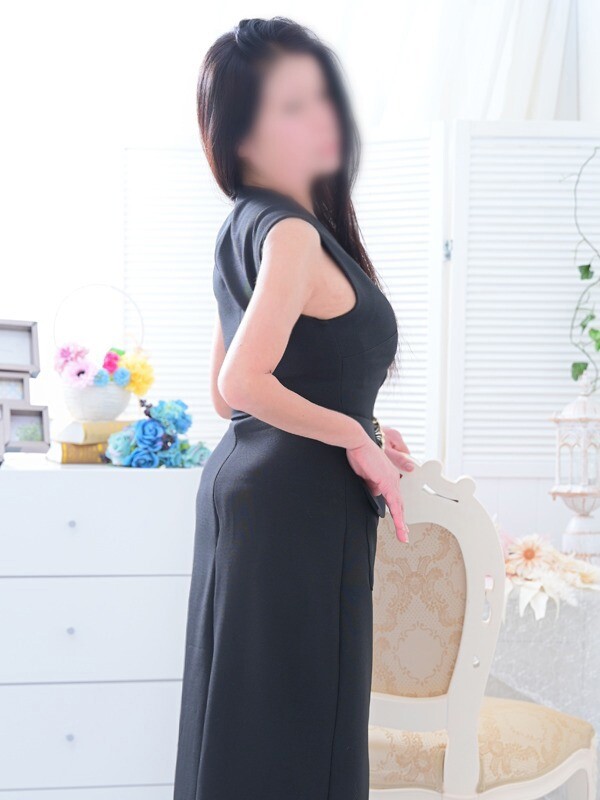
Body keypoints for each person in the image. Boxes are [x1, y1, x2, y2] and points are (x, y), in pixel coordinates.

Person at [174, 16, 413, 800]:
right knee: (300, 734)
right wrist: (351, 434)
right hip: (295, 508)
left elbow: (227, 396)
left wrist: (363, 427)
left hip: (252, 495)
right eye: (292, 105)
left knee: (245, 725)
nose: (321, 117)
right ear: (243, 135)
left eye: (322, 97)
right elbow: (243, 385)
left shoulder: (245, 228)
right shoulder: (293, 237)